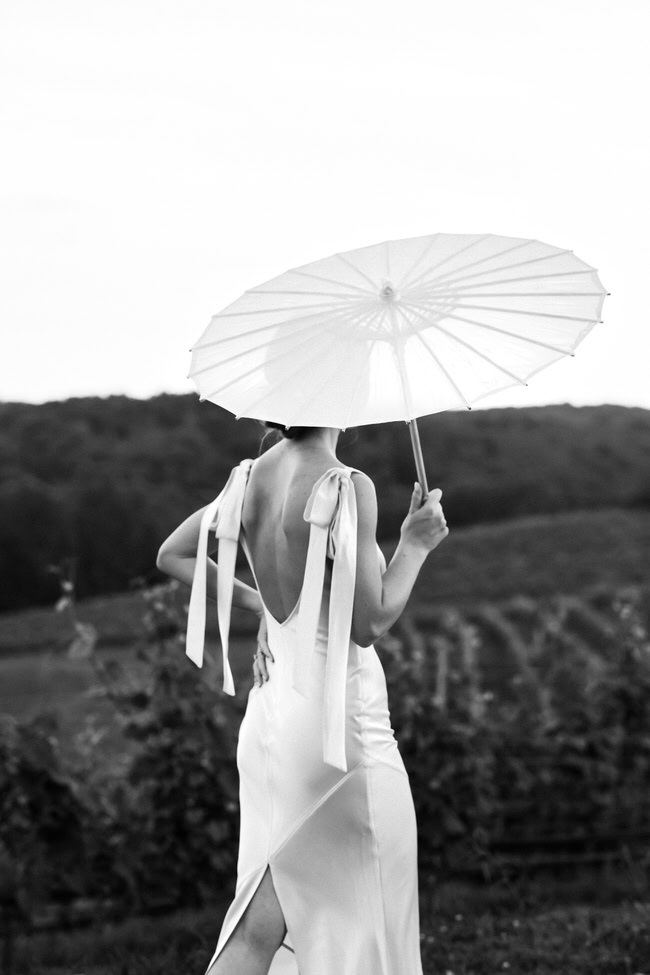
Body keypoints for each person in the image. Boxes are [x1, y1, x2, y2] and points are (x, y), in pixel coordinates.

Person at [156, 422, 449, 975]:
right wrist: (415, 545)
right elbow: (371, 621)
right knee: (372, 920)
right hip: (340, 734)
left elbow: (174, 555)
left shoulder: (248, 478)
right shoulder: (345, 484)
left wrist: (266, 609)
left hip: (269, 726)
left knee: (257, 926)